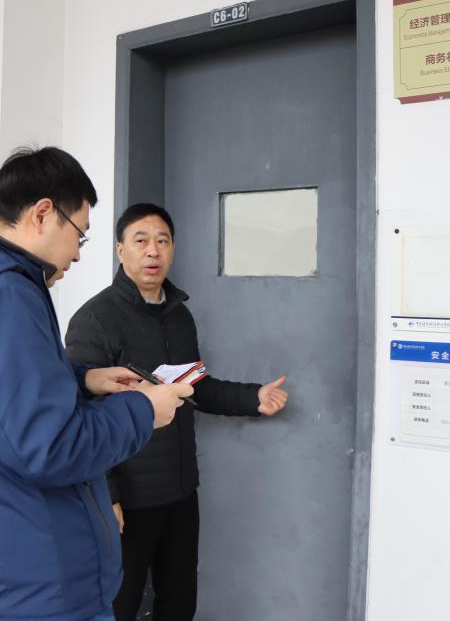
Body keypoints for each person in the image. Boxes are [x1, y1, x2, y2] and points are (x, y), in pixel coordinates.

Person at [0, 147, 193, 621]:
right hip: (39, 582)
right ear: (43, 213)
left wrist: (83, 379)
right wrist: (145, 410)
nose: (77, 252)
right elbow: (52, 447)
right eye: (79, 234)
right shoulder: (3, 294)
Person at [65, 203, 289, 621]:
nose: (153, 250)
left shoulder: (180, 316)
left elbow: (195, 388)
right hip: (128, 499)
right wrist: (108, 496)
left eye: (162, 241)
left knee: (179, 601)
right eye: (141, 240)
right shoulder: (95, 319)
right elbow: (82, 414)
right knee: (118, 605)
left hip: (180, 490)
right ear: (120, 250)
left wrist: (253, 398)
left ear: (172, 249)